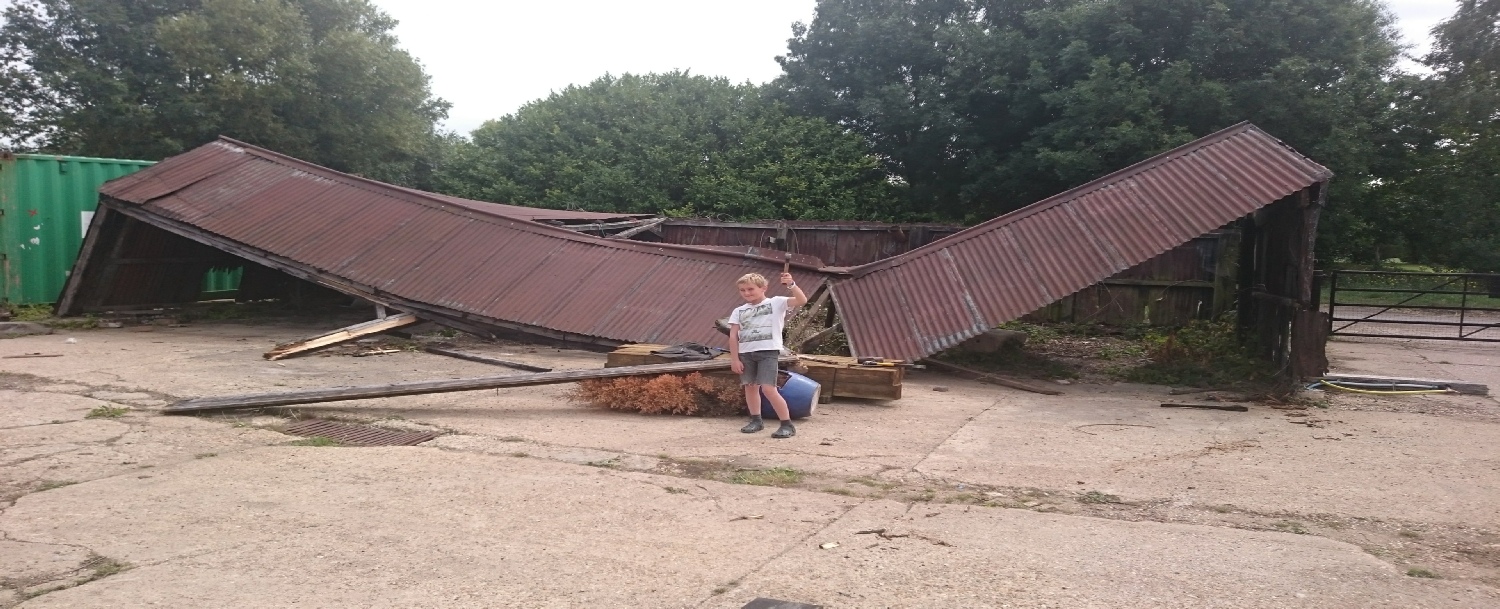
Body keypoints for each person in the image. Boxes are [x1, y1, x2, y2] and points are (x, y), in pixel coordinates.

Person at [727, 271, 808, 438]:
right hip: (746, 353)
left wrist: (791, 284)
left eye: (750, 289)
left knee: (769, 389)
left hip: (768, 351)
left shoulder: (776, 303)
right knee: (750, 387)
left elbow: (802, 300)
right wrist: (734, 359)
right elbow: (733, 336)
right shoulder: (739, 310)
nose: (747, 293)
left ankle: (787, 424)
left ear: (763, 288)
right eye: (742, 290)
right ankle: (756, 420)